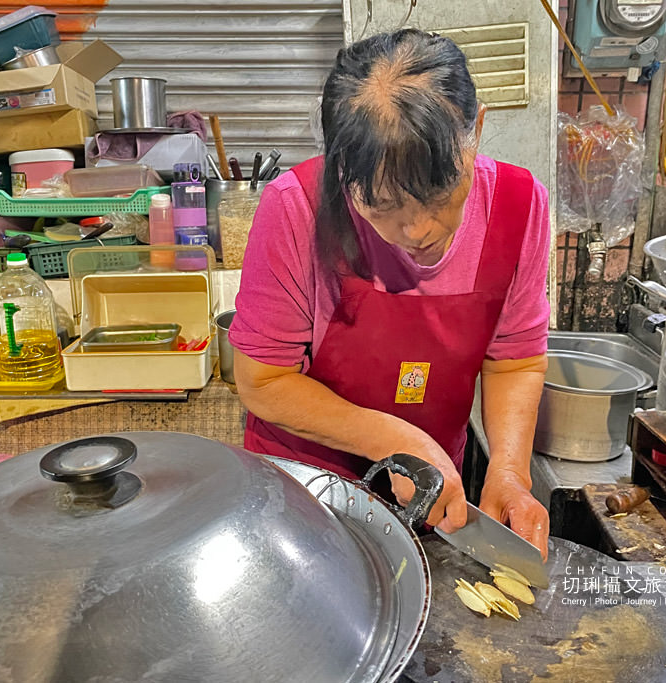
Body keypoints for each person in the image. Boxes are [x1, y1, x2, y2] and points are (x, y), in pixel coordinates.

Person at [228, 29, 551, 559]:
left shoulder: (519, 206)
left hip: (427, 497)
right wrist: (397, 441)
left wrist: (510, 473)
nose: (419, 230)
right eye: (382, 207)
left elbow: (514, 360)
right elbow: (263, 382)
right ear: (340, 168)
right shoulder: (296, 208)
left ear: (477, 131)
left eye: (440, 194)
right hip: (305, 495)